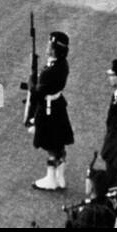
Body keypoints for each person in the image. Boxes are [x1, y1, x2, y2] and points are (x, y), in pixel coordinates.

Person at [29, 30, 74, 191]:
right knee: (59, 142)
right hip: (58, 106)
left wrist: (31, 85)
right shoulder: (61, 64)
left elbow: (38, 93)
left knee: (51, 144)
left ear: (55, 49)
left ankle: (51, 179)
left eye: (50, 44)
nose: (47, 46)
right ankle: (59, 176)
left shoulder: (50, 71)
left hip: (48, 110)